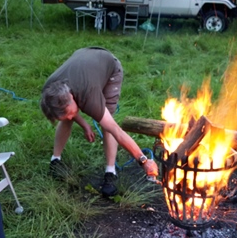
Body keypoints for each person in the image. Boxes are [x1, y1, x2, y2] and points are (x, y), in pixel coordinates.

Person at [40, 47, 158, 197]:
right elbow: (67, 113)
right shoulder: (50, 92)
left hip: (109, 66)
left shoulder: (89, 96)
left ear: (72, 97)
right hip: (83, 59)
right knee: (66, 119)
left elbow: (116, 130)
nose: (71, 117)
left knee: (107, 126)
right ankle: (55, 160)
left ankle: (110, 172)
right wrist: (84, 125)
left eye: (70, 113)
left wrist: (143, 160)